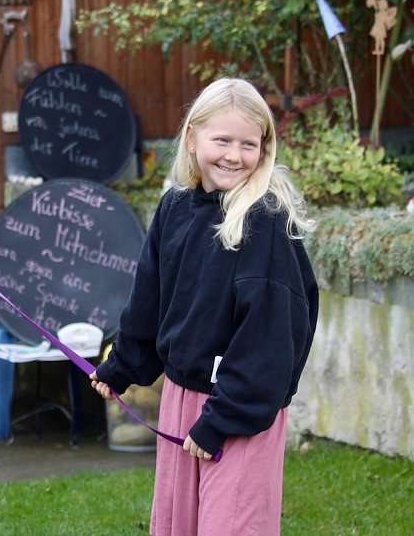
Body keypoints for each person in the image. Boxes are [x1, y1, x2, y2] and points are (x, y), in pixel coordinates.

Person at [89, 78, 319, 535]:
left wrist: (223, 419)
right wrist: (122, 367)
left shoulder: (265, 221)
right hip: (182, 396)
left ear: (264, 148)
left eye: (248, 144)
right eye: (222, 140)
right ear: (192, 138)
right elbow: (150, 301)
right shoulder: (174, 209)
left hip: (240, 412)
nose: (234, 155)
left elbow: (271, 339)